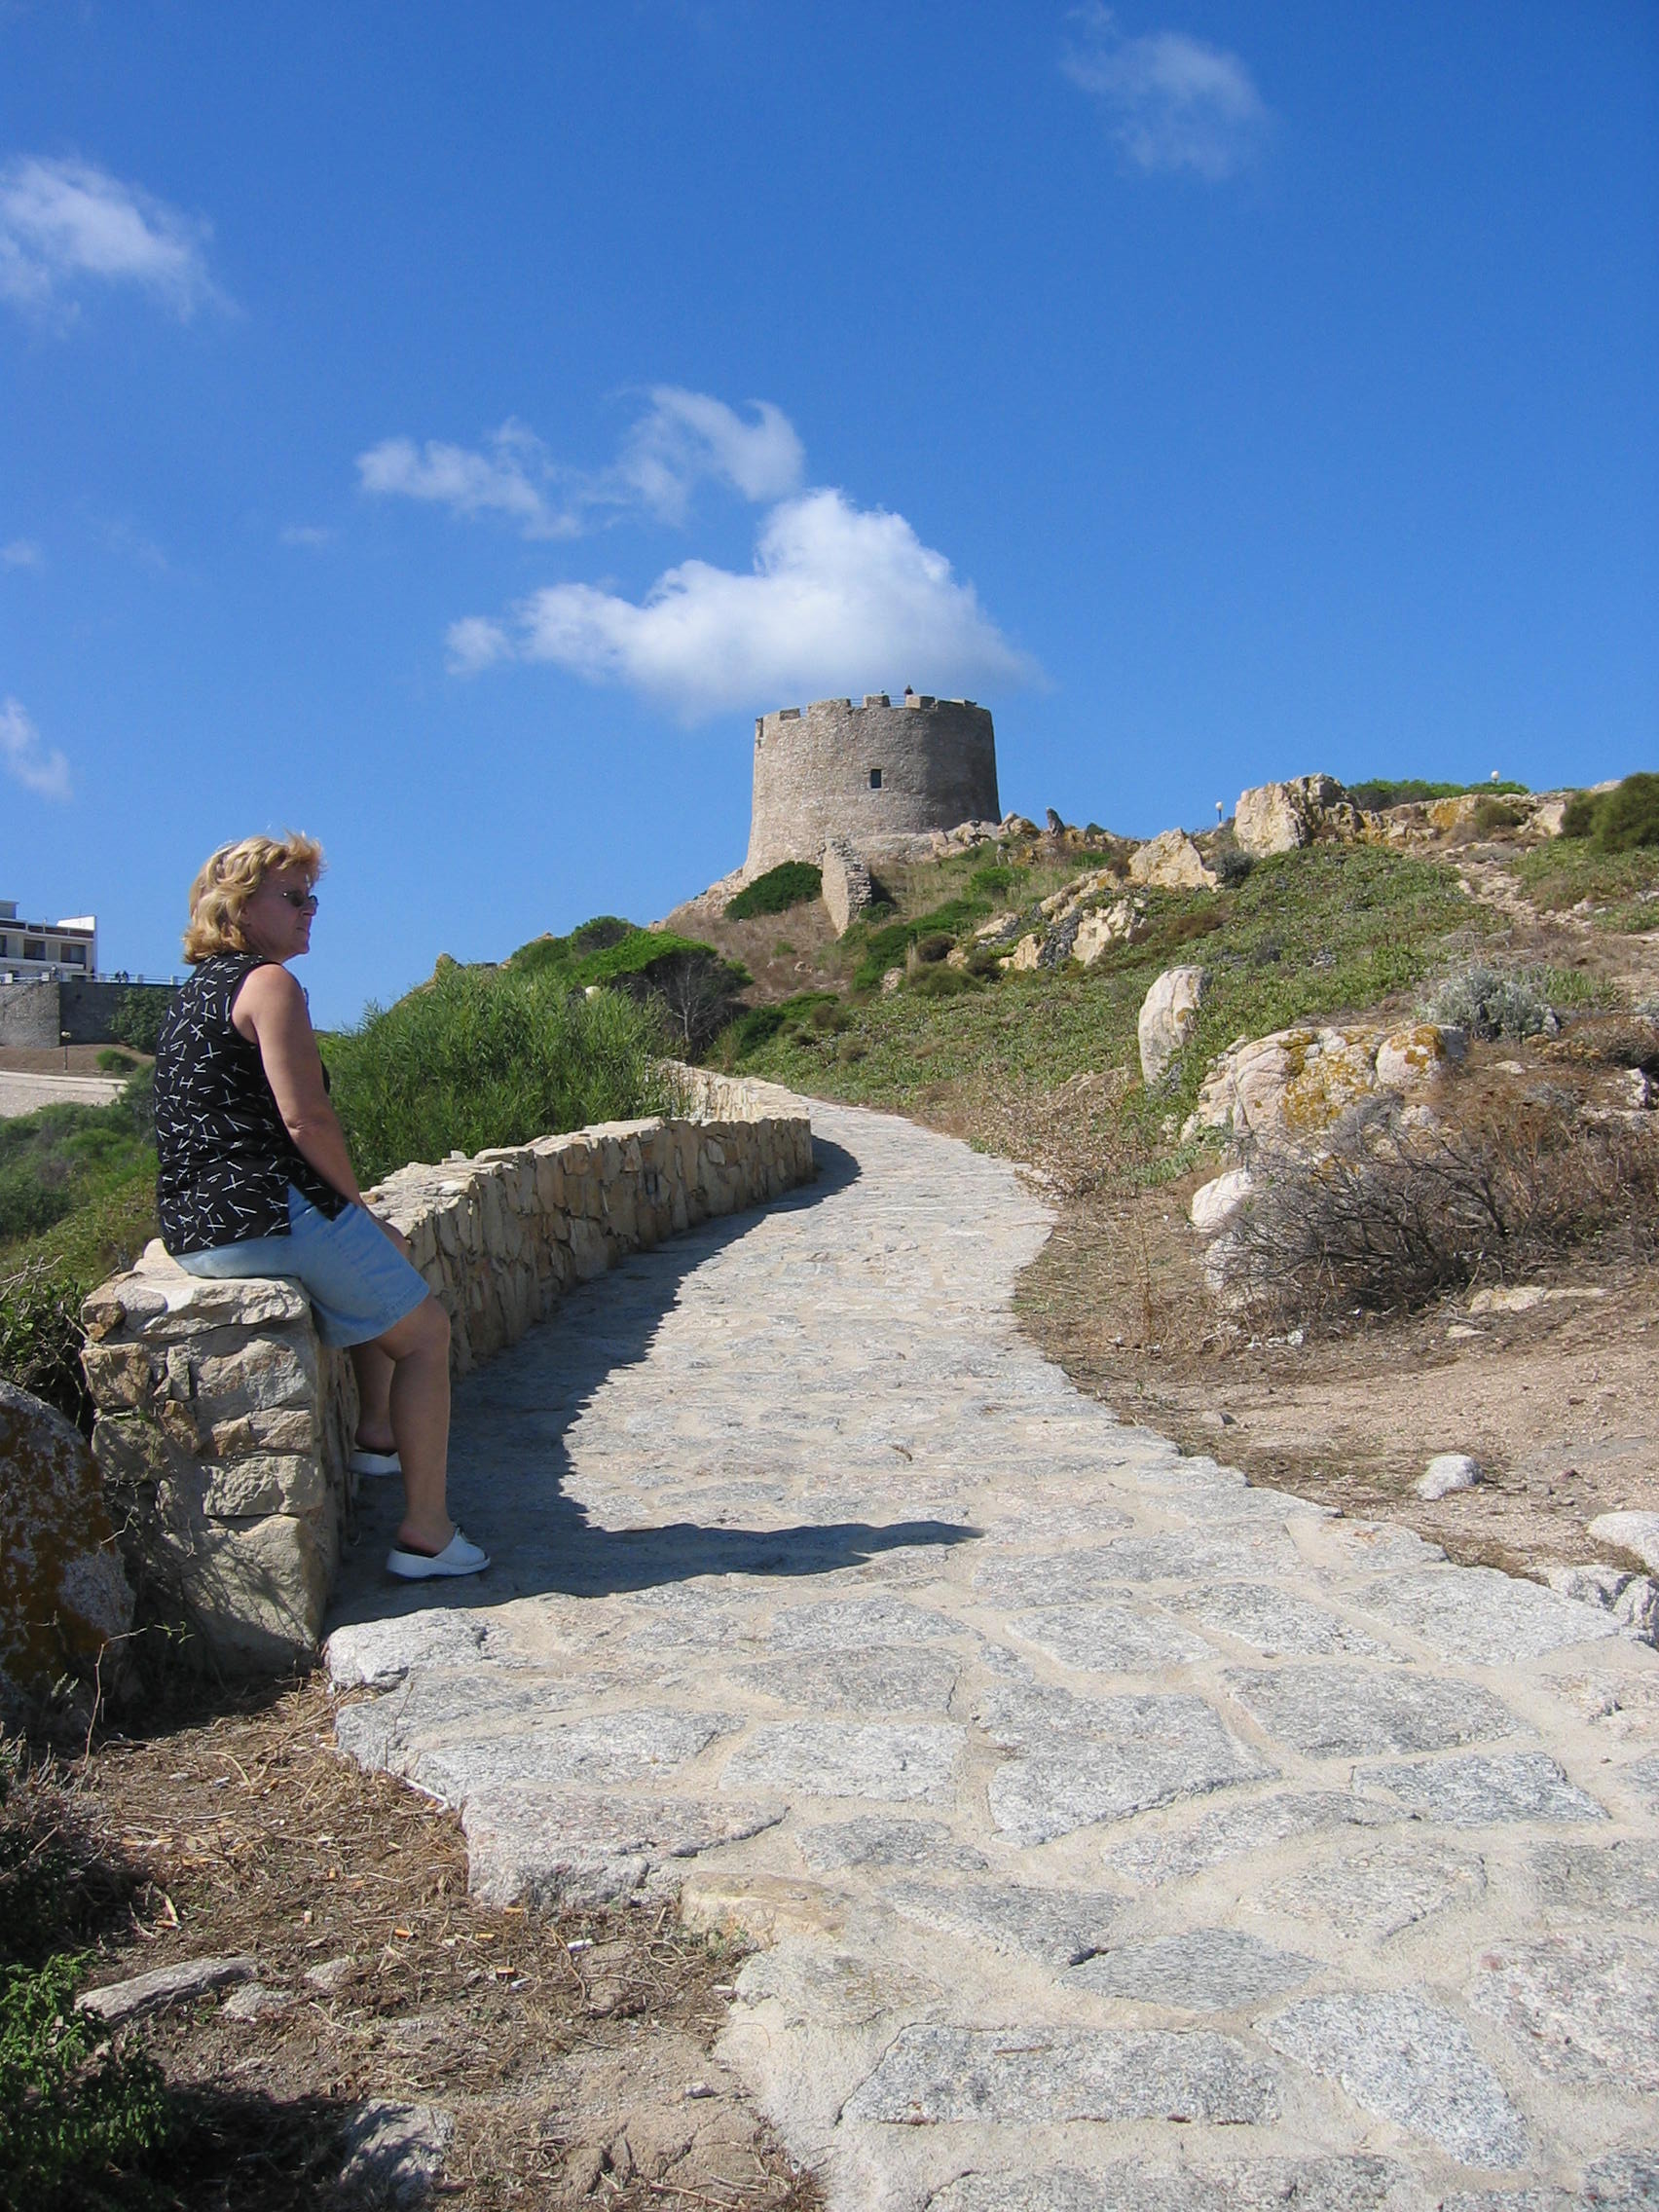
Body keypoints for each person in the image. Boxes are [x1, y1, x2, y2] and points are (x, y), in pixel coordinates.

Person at [151, 832, 487, 1581]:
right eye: (293, 899)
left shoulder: (193, 992)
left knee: (381, 1269)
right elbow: (306, 1122)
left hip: (194, 1229)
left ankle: (373, 1436)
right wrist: (357, 1208)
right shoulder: (268, 985)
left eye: (313, 898)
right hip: (264, 1211)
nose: (311, 913)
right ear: (240, 907)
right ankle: (427, 1533)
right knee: (427, 1335)